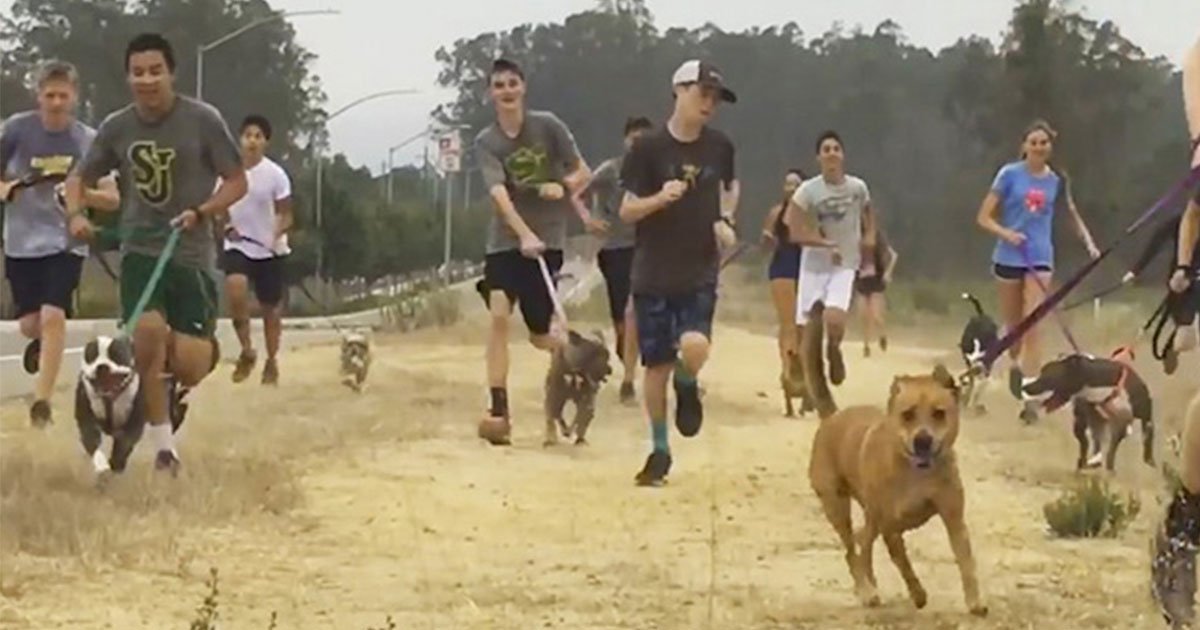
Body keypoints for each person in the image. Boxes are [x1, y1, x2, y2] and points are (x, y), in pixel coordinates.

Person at [66, 32, 247, 474]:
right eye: (138, 72)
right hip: (141, 251)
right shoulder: (117, 127)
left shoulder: (203, 120)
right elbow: (78, 177)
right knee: (146, 337)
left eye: (155, 71)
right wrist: (76, 214)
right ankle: (164, 451)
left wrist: (204, 211)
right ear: (128, 77)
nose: (146, 80)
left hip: (191, 255)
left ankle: (178, 374)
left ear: (172, 73)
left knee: (187, 363)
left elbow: (237, 181)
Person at [619, 59, 739, 486]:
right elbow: (626, 209)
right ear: (679, 90)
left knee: (695, 347)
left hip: (698, 268)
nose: (709, 104)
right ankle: (659, 448)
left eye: (715, 98)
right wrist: (658, 198)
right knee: (656, 366)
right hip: (652, 273)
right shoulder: (647, 149)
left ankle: (688, 384)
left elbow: (729, 186)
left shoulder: (720, 147)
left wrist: (725, 220)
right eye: (702, 93)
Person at [473, 58, 591, 446]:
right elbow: (498, 195)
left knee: (542, 336)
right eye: (498, 85)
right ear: (491, 93)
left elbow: (582, 172)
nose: (506, 91)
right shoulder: (486, 142)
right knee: (499, 315)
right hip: (506, 243)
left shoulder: (548, 126)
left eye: (512, 83)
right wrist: (522, 233)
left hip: (549, 241)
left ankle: (579, 362)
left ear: (523, 87)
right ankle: (498, 407)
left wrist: (562, 185)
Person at [0, 60, 118, 427]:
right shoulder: (15, 131)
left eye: (62, 95)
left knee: (53, 317)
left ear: (74, 97)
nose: (55, 102)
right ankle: (40, 343)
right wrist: (10, 189)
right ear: (38, 96)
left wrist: (78, 193)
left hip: (66, 240)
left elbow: (113, 198)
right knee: (30, 324)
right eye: (49, 95)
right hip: (21, 241)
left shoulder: (88, 140)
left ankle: (42, 402)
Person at [975, 119, 1099, 424]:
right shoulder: (1009, 175)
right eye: (1034, 142)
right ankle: (1014, 367)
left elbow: (1070, 214)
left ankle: (1031, 400)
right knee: (1014, 330)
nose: (1039, 147)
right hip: (1008, 255)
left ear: (1050, 146)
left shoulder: (1056, 180)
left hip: (1040, 258)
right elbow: (983, 217)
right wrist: (1006, 234)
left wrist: (1090, 244)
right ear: (1024, 146)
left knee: (1033, 326)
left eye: (1044, 142)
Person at [784, 131, 874, 390]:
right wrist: (823, 244)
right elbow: (794, 229)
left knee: (834, 317)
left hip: (845, 264)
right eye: (826, 149)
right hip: (814, 265)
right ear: (818, 157)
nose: (832, 153)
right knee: (805, 324)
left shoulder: (858, 188)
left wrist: (869, 239)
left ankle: (833, 349)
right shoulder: (807, 191)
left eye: (836, 148)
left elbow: (869, 216)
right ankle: (803, 368)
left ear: (843, 155)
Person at [578, 116, 653, 405]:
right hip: (616, 249)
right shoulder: (611, 170)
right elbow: (579, 193)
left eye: (643, 139)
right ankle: (628, 365)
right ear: (625, 141)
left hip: (648, 246)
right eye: (633, 138)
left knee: (642, 312)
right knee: (622, 319)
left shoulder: (657, 171)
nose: (637, 144)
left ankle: (631, 376)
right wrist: (590, 220)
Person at [220, 114, 293, 386]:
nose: (252, 141)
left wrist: (276, 234)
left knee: (270, 310)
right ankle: (246, 349)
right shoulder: (228, 171)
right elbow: (219, 207)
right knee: (236, 289)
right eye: (248, 135)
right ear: (240, 140)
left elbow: (286, 215)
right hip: (239, 246)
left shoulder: (276, 175)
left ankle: (271, 360)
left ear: (265, 142)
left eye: (258, 136)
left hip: (270, 250)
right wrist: (226, 226)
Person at [760, 168, 807, 403]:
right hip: (782, 268)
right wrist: (769, 240)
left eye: (796, 184)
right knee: (788, 324)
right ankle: (788, 370)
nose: (791, 188)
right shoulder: (776, 213)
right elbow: (765, 244)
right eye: (787, 184)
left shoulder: (810, 214)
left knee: (804, 326)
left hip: (806, 268)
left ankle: (803, 371)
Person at [854, 222, 898, 358]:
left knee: (876, 314)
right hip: (861, 280)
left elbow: (893, 255)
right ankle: (866, 345)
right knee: (863, 315)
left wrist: (887, 272)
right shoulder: (855, 236)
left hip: (875, 280)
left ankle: (882, 335)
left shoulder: (878, 237)